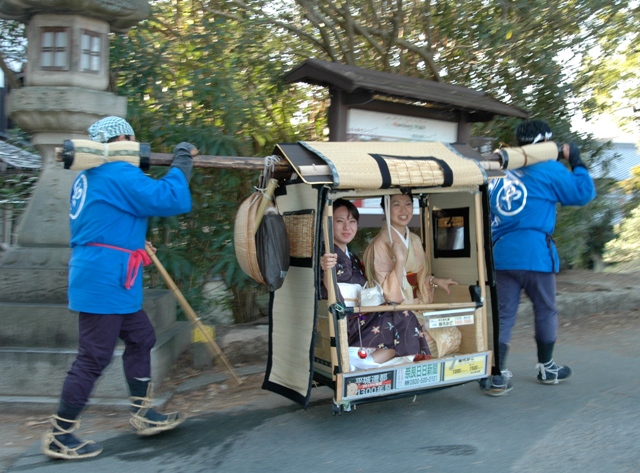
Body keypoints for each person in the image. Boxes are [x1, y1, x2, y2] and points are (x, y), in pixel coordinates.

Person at [42, 116, 196, 460]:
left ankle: (143, 413)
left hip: (105, 272)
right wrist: (182, 160)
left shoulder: (89, 176)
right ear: (124, 139)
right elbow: (168, 197)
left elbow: (106, 221)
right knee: (94, 356)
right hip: (106, 277)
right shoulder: (117, 172)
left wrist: (132, 240)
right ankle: (59, 434)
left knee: (141, 337)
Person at [481, 119, 596, 397]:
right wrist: (576, 160)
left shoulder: (501, 171)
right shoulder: (549, 169)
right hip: (535, 255)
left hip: (502, 254)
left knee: (503, 314)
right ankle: (547, 367)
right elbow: (584, 192)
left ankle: (497, 375)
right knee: (545, 310)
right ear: (545, 142)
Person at [320, 199, 430, 363]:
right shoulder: (326, 255)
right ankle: (362, 361)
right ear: (329, 224)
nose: (347, 227)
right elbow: (327, 288)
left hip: (361, 314)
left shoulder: (353, 258)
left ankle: (367, 362)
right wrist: (325, 267)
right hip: (345, 318)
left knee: (404, 319)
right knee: (403, 318)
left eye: (352, 221)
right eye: (340, 221)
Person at [362, 191, 460, 358]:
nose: (404, 210)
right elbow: (389, 293)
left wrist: (434, 280)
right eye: (396, 205)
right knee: (427, 338)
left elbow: (417, 276)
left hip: (415, 306)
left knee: (450, 331)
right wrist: (399, 260)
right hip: (395, 311)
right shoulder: (379, 244)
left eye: (408, 204)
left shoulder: (414, 239)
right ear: (386, 209)